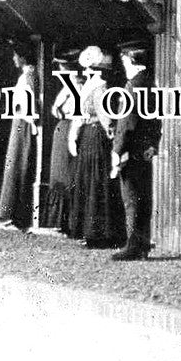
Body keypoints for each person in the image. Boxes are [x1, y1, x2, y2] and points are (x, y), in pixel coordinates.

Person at [66, 45, 124, 247]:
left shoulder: (97, 87)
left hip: (92, 134)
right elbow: (105, 117)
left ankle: (96, 232)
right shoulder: (98, 86)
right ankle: (95, 231)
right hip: (94, 135)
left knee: (93, 180)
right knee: (95, 180)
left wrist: (109, 133)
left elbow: (103, 115)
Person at [110, 42, 162, 261]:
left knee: (131, 197)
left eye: (124, 61)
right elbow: (156, 121)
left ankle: (133, 245)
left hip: (130, 150)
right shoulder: (151, 85)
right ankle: (142, 244)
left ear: (130, 61)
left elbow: (126, 124)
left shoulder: (131, 87)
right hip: (145, 151)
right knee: (143, 197)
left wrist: (117, 149)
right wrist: (152, 144)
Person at [0, 42, 39, 230]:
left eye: (16, 55)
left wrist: (30, 121)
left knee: (19, 165)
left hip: (23, 124)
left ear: (22, 57)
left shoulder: (28, 76)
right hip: (20, 122)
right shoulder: (26, 76)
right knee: (14, 166)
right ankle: (14, 214)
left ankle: (20, 216)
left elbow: (30, 103)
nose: (14, 59)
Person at [42, 48, 81, 234]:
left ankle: (68, 222)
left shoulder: (78, 87)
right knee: (59, 175)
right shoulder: (67, 87)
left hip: (69, 131)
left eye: (62, 67)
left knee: (67, 175)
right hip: (61, 132)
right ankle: (60, 221)